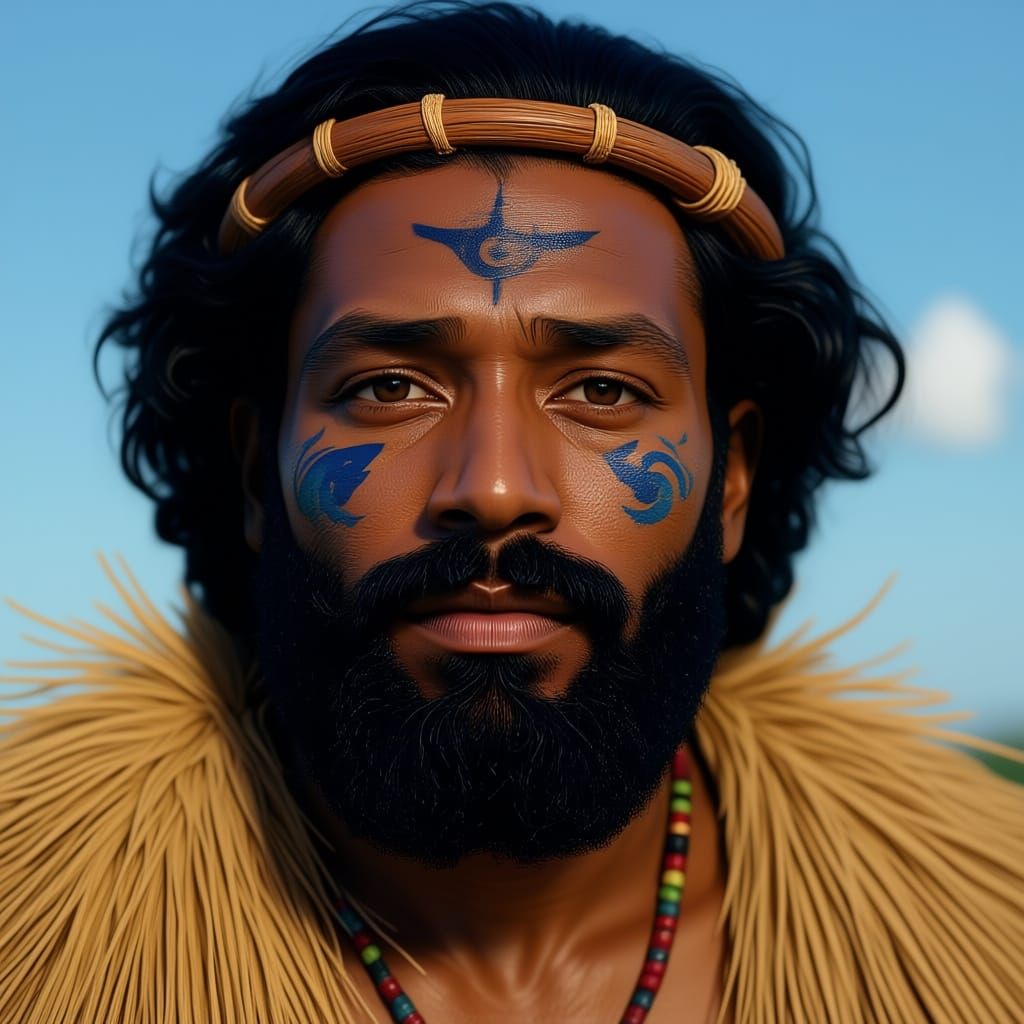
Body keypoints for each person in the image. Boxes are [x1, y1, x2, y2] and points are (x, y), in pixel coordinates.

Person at [2, 3, 1022, 1022]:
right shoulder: (31, 948)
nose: (492, 487)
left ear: (735, 480)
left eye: (602, 392)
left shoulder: (990, 950)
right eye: (391, 387)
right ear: (258, 472)